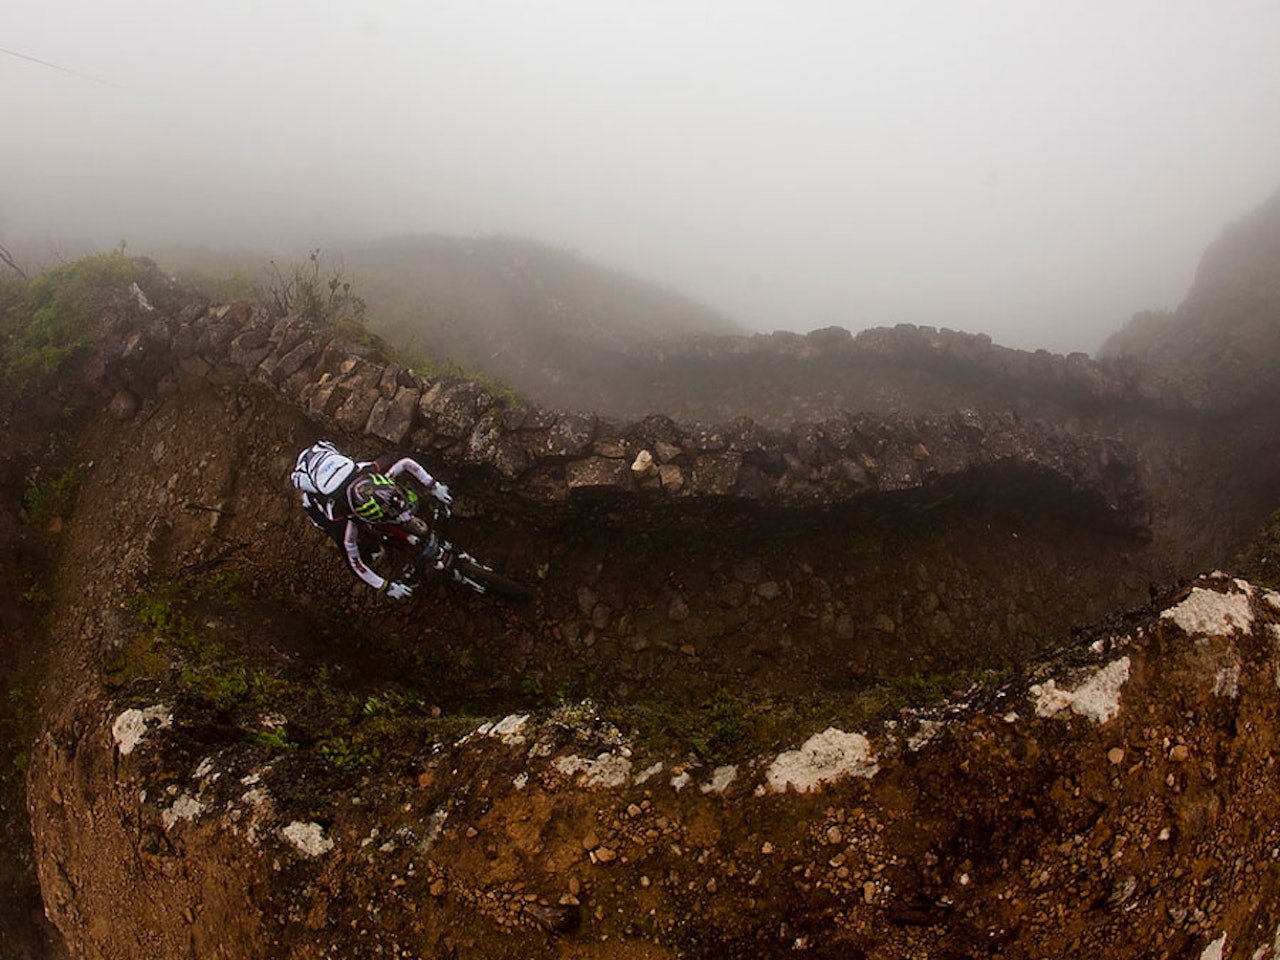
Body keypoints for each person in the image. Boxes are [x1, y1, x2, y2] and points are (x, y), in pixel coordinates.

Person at [290, 440, 453, 599]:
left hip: (333, 464)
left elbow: (404, 461)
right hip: (318, 493)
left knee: (398, 502)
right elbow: (354, 563)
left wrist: (433, 486)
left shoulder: (372, 470)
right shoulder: (340, 520)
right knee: (366, 546)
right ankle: (372, 547)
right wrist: (385, 586)